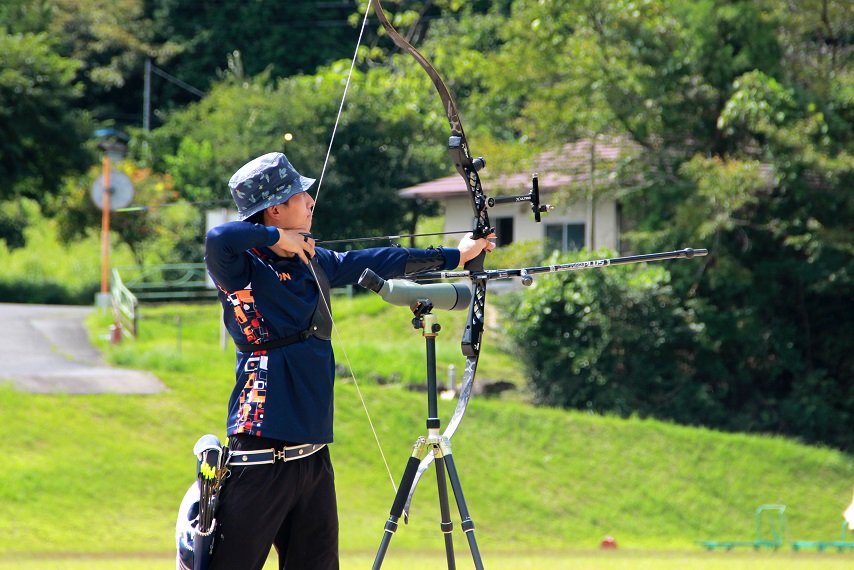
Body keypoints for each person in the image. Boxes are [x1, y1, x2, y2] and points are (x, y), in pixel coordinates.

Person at [203, 151, 494, 570]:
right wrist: (277, 240)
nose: (311, 202)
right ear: (276, 209)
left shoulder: (314, 262)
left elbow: (376, 259)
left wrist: (456, 256)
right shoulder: (242, 269)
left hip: (313, 455)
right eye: (302, 195)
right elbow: (218, 238)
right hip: (261, 450)